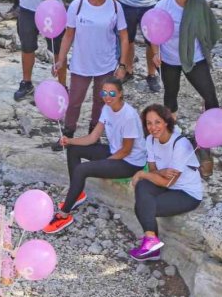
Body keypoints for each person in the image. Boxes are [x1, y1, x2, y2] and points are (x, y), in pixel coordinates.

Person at [43, 77, 147, 233]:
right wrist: (69, 140)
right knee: (73, 149)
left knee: (82, 169)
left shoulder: (129, 116)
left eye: (112, 92)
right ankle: (76, 194)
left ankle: (64, 215)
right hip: (114, 152)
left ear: (120, 94)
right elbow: (93, 137)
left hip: (130, 162)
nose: (107, 96)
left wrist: (106, 164)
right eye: (104, 92)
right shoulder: (107, 108)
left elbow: (126, 150)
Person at [54, 0, 129, 142]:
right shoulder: (77, 5)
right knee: (74, 102)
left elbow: (124, 37)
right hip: (81, 64)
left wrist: (123, 65)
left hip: (106, 64)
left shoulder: (115, 7)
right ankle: (68, 134)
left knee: (101, 102)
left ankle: (93, 135)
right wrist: (60, 59)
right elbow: (69, 34)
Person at [129, 104, 203, 261]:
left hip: (187, 194)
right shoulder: (150, 140)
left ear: (166, 122)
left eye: (157, 122)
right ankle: (152, 242)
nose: (153, 127)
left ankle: (151, 246)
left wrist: (142, 173)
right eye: (149, 123)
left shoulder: (181, 144)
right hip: (169, 186)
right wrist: (161, 172)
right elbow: (154, 170)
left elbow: (166, 182)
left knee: (142, 205)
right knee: (143, 188)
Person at [152, 0, 222, 116]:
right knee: (170, 96)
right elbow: (153, 33)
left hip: (194, 57)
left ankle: (211, 130)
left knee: (210, 96)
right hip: (169, 58)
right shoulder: (162, 6)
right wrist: (155, 54)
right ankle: (171, 130)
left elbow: (209, 25)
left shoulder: (198, 4)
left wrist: (206, 45)